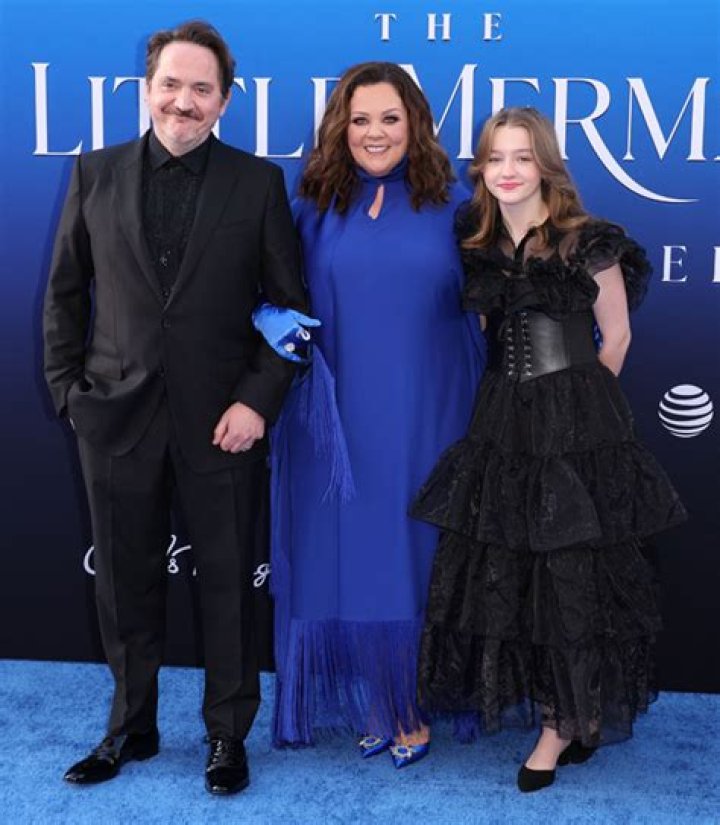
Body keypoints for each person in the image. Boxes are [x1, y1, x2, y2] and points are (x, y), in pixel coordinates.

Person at [43, 20, 307, 795]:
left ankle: (227, 733)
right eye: (171, 84)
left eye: (201, 88)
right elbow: (64, 295)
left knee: (227, 584)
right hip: (113, 417)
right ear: (147, 87)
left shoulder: (257, 183)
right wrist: (70, 394)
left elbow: (290, 308)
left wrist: (257, 401)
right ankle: (131, 725)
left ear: (224, 100)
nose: (183, 101)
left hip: (223, 423)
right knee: (123, 583)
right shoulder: (94, 172)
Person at [411, 106, 687, 791]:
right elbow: (484, 334)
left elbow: (615, 338)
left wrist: (583, 421)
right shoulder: (477, 243)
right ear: (481, 168)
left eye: (522, 157)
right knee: (515, 571)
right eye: (495, 158)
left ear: (547, 166)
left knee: (572, 576)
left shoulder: (586, 240)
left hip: (578, 426)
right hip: (503, 421)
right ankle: (568, 709)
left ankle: (560, 724)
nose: (507, 171)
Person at [270, 62, 485, 767]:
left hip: (431, 408)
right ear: (340, 126)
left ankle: (411, 700)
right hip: (333, 416)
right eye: (360, 119)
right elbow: (268, 288)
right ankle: (376, 695)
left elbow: (502, 293)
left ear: (416, 124)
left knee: (413, 550)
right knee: (346, 552)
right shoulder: (311, 207)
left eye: (390, 118)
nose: (375, 133)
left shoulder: (458, 207)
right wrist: (270, 317)